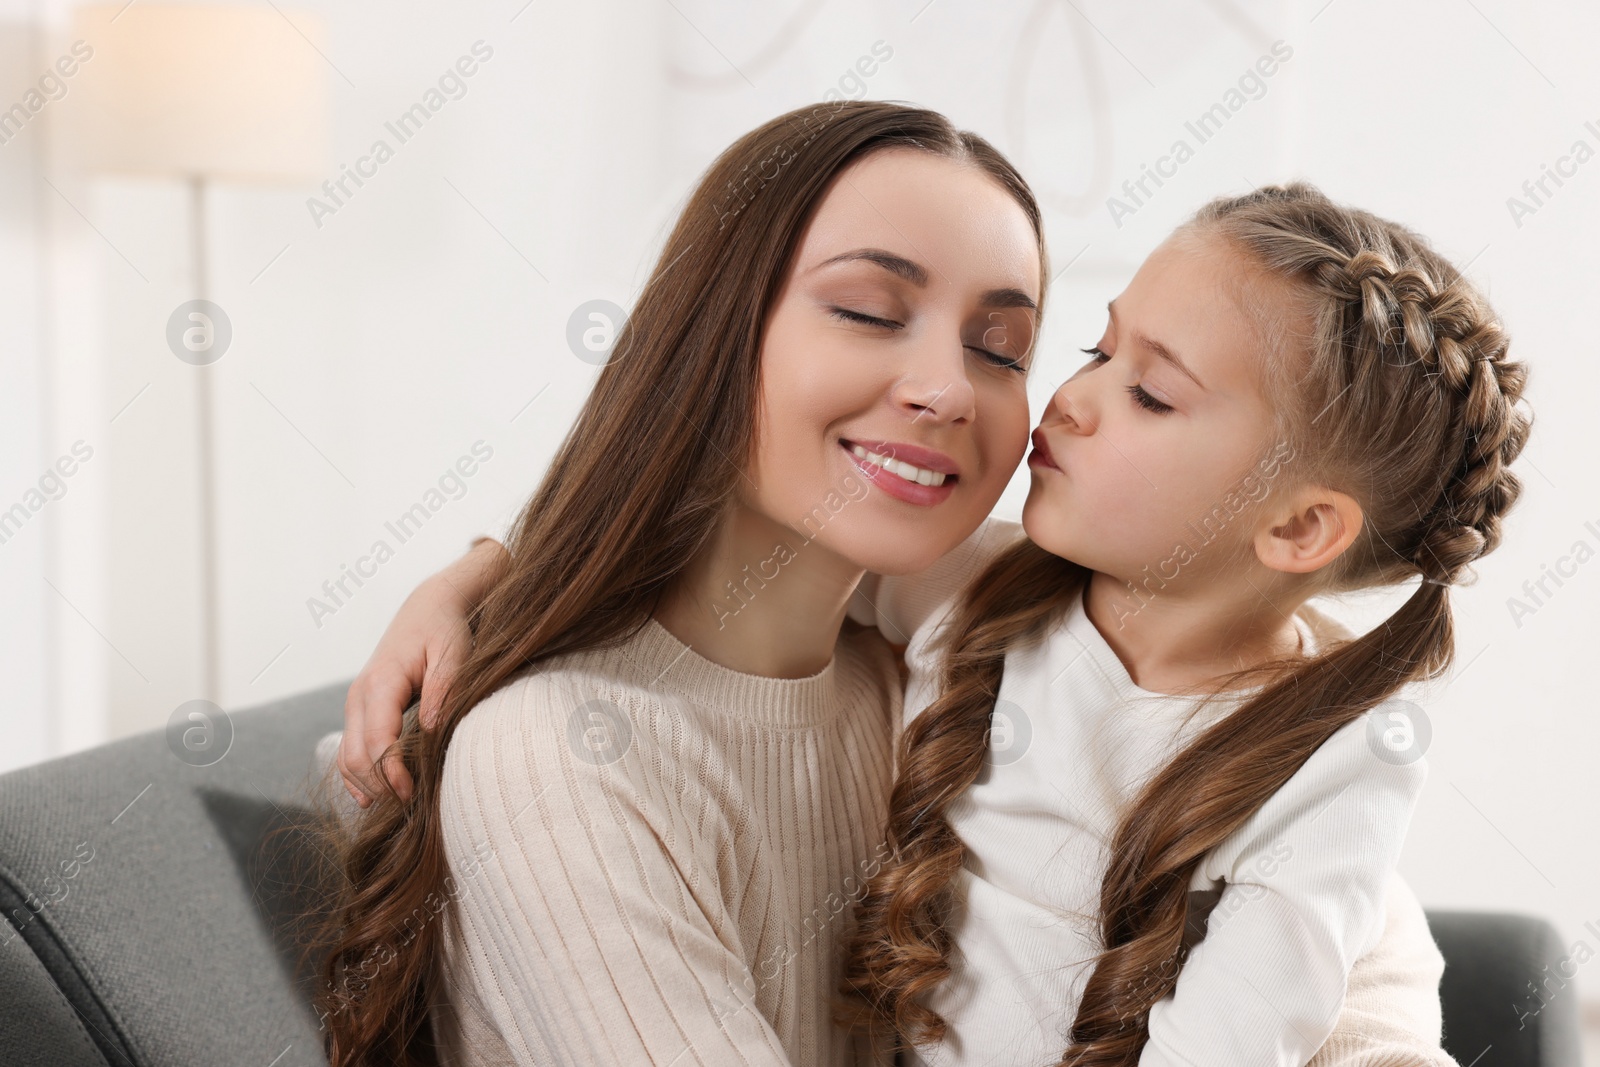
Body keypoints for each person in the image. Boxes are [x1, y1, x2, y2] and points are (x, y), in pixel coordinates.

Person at [320, 102, 1468, 1067]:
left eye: (1005, 346)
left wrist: (488, 565)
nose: (948, 389)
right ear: (715, 334)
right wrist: (492, 572)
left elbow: (1326, 891)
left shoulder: (957, 660)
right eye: (869, 311)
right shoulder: (563, 753)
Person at [835, 183, 1530, 1065]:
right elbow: (747, 562)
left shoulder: (1342, 758)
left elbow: (1231, 1041)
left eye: (1152, 395)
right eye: (1099, 349)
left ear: (1297, 528)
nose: (1071, 399)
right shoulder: (964, 579)